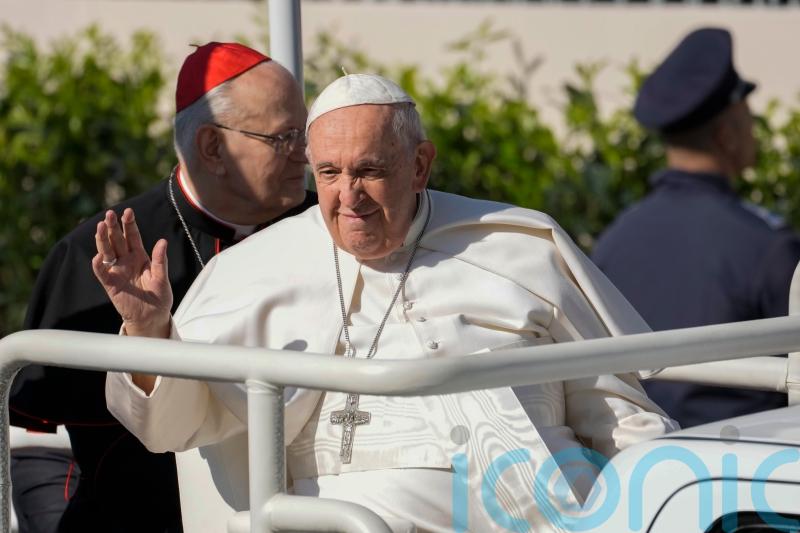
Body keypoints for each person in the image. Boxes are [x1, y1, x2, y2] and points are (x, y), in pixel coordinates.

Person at [99, 74, 677, 532]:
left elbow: (614, 412)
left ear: (420, 164)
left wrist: (664, 493)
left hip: (545, 509)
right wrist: (149, 333)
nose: (348, 197)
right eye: (328, 173)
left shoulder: (516, 246)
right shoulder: (252, 272)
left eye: (370, 171)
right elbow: (170, 426)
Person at [9, 42, 315, 532]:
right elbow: (36, 440)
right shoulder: (98, 254)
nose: (305, 154)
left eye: (306, 134)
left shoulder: (329, 232)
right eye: (284, 138)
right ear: (213, 147)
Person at [592, 27, 800, 428]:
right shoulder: (768, 248)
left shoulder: (616, 240)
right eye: (748, 117)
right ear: (727, 136)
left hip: (637, 471)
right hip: (743, 474)